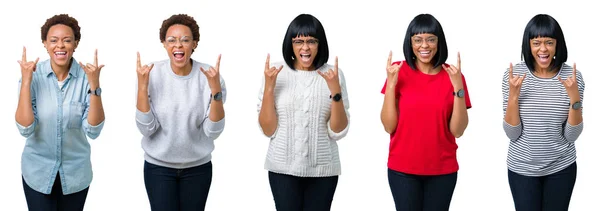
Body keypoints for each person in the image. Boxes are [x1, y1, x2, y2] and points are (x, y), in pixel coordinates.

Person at [257, 13, 350, 211]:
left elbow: (338, 131)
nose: (305, 48)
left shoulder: (333, 75)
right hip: (282, 170)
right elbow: (268, 130)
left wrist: (335, 90)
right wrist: (269, 88)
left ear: (320, 44)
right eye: (298, 41)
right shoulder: (275, 72)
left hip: (323, 171)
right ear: (290, 44)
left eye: (311, 41)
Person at [380, 14, 471, 211]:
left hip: (442, 170)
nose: (425, 46)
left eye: (431, 39)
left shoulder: (454, 76)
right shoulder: (398, 71)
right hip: (402, 169)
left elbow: (458, 131)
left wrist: (458, 87)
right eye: (418, 40)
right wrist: (391, 85)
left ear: (439, 42)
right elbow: (388, 126)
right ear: (410, 43)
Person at [135, 14, 226, 211]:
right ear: (164, 44)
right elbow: (146, 129)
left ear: (194, 44)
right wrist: (143, 87)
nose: (178, 45)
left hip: (198, 168)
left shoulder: (210, 76)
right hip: (158, 168)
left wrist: (216, 92)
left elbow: (213, 132)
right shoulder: (150, 74)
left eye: (185, 40)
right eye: (172, 40)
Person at [15, 14, 106, 211]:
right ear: (45, 44)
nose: (60, 46)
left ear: (76, 43)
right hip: (37, 173)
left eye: (67, 40)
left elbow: (93, 131)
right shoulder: (32, 74)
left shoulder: (86, 77)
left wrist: (95, 86)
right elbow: (25, 128)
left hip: (75, 175)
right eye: (54, 40)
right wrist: (26, 82)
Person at [503, 14, 584, 211]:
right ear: (528, 45)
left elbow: (571, 136)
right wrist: (514, 95)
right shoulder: (513, 76)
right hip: (522, 168)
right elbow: (512, 134)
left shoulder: (573, 78)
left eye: (549, 42)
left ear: (557, 45)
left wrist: (574, 98)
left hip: (561, 168)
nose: (543, 49)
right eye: (536, 42)